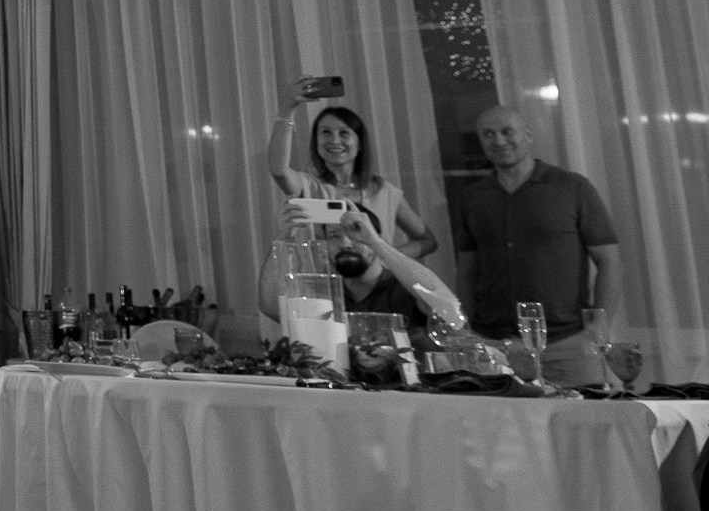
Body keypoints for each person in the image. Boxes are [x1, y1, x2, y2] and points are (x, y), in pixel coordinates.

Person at [450, 104, 620, 385]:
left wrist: (598, 328)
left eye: (507, 131)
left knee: (583, 423)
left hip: (567, 345)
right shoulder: (473, 198)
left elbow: (609, 261)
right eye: (488, 134)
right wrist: (467, 330)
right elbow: (467, 270)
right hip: (496, 347)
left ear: (528, 136)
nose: (499, 140)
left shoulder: (572, 187)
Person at [264, 80, 438, 312]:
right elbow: (278, 169)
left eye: (344, 133)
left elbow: (427, 240)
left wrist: (384, 254)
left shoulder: (383, 191)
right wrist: (287, 109)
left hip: (378, 295)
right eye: (325, 133)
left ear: (359, 144)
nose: (334, 140)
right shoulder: (309, 186)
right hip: (328, 296)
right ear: (316, 143)